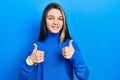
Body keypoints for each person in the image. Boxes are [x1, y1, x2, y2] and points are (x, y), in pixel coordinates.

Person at [19, 2, 89, 80]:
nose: (56, 22)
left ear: (64, 22)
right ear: (44, 21)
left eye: (60, 18)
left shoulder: (70, 45)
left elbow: (84, 76)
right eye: (51, 18)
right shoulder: (37, 47)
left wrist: (75, 56)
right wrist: (30, 61)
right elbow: (22, 78)